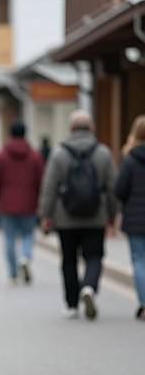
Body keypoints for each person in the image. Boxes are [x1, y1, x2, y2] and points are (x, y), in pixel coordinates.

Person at [39, 110, 117, 320]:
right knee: (94, 256)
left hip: (66, 217)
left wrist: (45, 215)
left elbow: (50, 187)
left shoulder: (59, 153)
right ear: (91, 128)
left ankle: (72, 304)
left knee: (69, 260)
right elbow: (111, 188)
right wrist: (112, 215)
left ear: (71, 129)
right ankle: (89, 287)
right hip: (96, 215)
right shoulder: (103, 153)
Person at [0, 122, 44, 284]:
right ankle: (25, 257)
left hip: (7, 204)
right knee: (28, 234)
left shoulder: (1, 155)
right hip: (29, 203)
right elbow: (41, 179)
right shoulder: (34, 156)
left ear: (10, 133)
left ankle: (13, 274)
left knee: (9, 238)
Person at [115, 115, 145, 321]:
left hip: (135, 218)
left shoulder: (130, 158)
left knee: (139, 260)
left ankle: (144, 302)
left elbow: (119, 189)